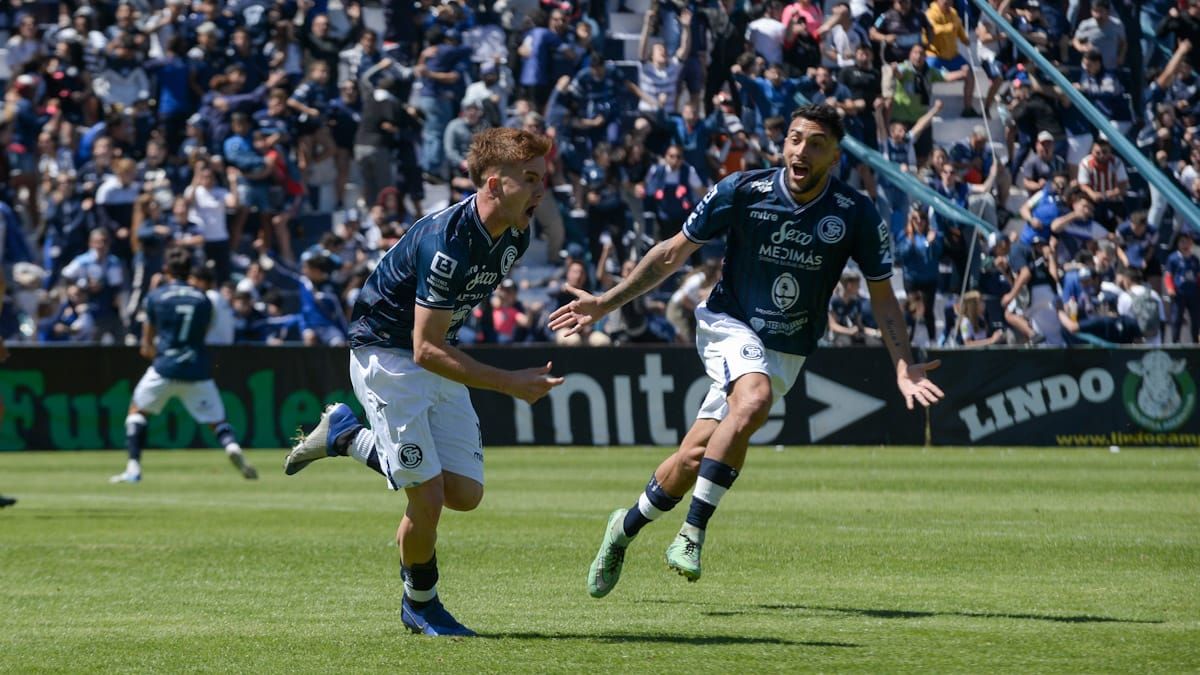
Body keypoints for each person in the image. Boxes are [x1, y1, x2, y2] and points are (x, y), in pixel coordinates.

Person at [548, 104, 944, 597]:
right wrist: (607, 302)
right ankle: (691, 535)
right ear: (784, 144)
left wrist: (903, 366)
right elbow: (672, 252)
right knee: (753, 400)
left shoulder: (856, 213)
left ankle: (621, 530)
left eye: (816, 143)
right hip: (727, 322)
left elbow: (883, 294)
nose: (802, 150)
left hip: (788, 348)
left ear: (835, 156)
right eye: (795, 139)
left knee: (693, 457)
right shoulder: (742, 189)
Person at [283, 128, 564, 637]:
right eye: (530, 179)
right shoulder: (447, 245)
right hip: (387, 356)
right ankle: (421, 603)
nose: (541, 189)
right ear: (495, 184)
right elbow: (423, 348)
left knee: (465, 494)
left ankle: (346, 436)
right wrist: (508, 383)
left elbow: (438, 340)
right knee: (427, 497)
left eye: (543, 178)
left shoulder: (516, 233)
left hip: (435, 352)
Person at [110, 247, 257, 484]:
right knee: (218, 422)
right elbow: (205, 332)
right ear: (190, 271)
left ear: (166, 269)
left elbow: (146, 343)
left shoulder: (156, 296)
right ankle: (231, 447)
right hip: (197, 367)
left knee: (137, 413)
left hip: (165, 366)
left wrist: (152, 350)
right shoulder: (204, 299)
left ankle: (133, 469)